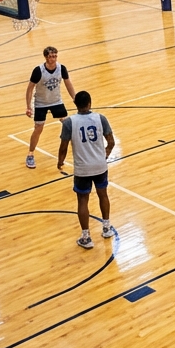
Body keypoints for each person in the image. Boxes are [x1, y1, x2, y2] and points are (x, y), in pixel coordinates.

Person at [56, 90, 115, 249]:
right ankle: (107, 228)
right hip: (100, 165)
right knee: (103, 195)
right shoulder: (100, 118)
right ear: (90, 103)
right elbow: (111, 141)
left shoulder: (69, 122)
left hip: (83, 168)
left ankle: (86, 237)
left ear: (75, 105)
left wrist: (60, 161)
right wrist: (106, 155)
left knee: (83, 200)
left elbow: (63, 147)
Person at [24, 45, 76, 169]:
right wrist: (28, 106)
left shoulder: (61, 68)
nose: (54, 58)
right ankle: (30, 154)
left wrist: (75, 98)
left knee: (67, 123)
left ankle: (78, 149)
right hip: (41, 103)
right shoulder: (38, 70)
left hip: (56, 101)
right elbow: (30, 89)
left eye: (55, 56)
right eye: (51, 56)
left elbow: (68, 83)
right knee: (38, 128)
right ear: (46, 57)